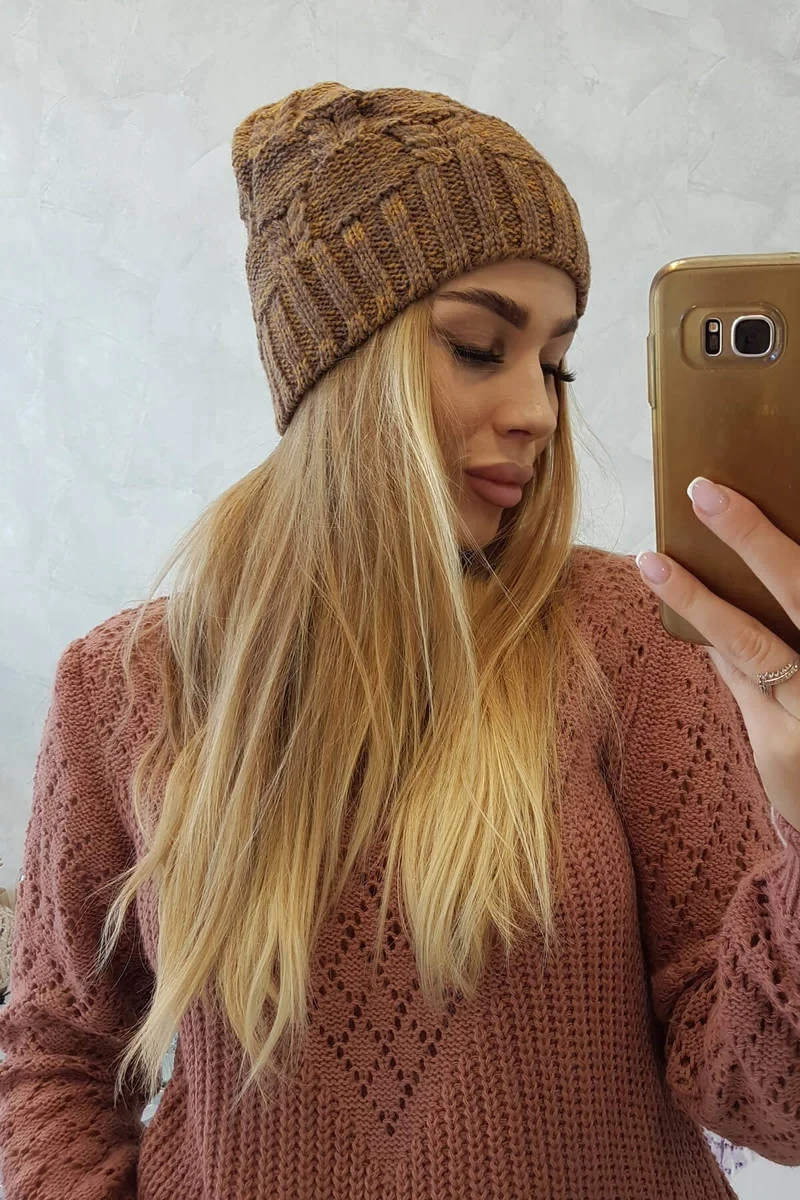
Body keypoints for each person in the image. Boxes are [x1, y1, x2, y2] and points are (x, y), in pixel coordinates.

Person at [0, 80, 799, 1200]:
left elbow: (768, 1105)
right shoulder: (124, 686)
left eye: (555, 362)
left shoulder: (627, 640)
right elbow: (52, 1056)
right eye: (477, 346)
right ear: (335, 369)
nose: (538, 410)